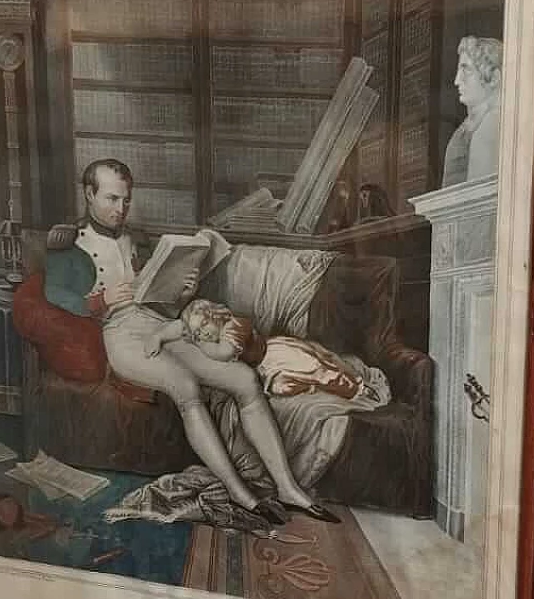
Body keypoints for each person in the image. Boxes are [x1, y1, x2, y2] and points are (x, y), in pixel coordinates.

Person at [39, 159, 336, 523]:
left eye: (126, 200)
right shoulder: (68, 244)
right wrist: (100, 301)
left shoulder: (138, 239)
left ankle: (288, 488)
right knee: (185, 385)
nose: (121, 209)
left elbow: (160, 298)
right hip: (119, 334)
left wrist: (183, 287)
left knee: (245, 379)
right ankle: (238, 492)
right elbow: (54, 294)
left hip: (160, 323)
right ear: (89, 194)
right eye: (112, 199)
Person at [145, 298, 365, 403]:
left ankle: (354, 389)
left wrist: (198, 343)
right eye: (197, 332)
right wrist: (158, 336)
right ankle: (313, 387)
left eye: (204, 326)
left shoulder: (235, 326)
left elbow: (224, 353)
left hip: (276, 355)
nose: (202, 334)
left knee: (315, 370)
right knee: (281, 388)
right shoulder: (206, 331)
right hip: (264, 368)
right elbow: (179, 327)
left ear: (216, 315)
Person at [443, 36, 502, 187]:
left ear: (494, 78)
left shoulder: (496, 123)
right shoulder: (460, 134)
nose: (457, 81)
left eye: (467, 71)